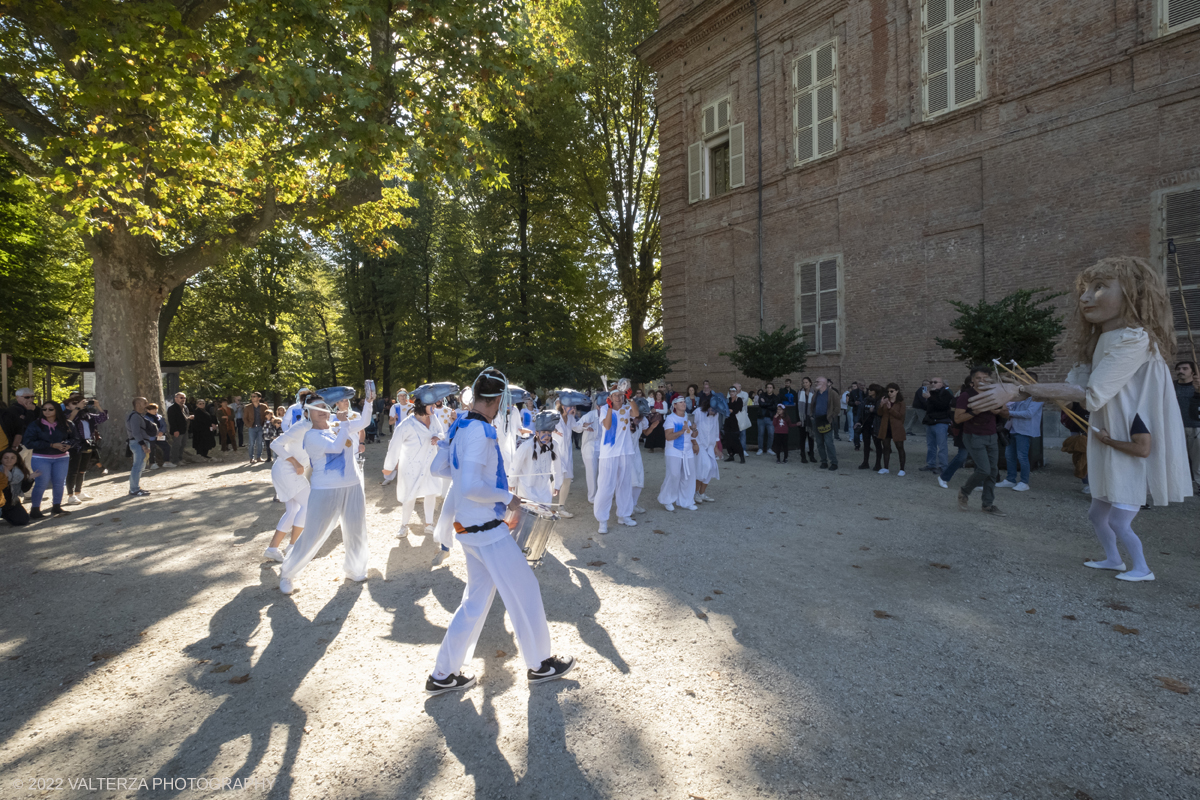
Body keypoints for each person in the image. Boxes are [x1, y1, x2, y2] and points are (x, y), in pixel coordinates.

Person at [971, 256, 1192, 581]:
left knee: (1118, 519)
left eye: (1100, 287)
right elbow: (1074, 384)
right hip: (1107, 433)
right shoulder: (1104, 339)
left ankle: (1142, 568)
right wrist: (1019, 389)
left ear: (1135, 292)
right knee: (1096, 513)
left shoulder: (1135, 338)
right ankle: (1114, 559)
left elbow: (1090, 392)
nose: (1086, 297)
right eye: (1085, 289)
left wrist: (1020, 388)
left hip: (1127, 434)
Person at [426, 367, 575, 695]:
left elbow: (439, 468)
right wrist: (508, 498)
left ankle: (442, 674)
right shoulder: (479, 431)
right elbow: (471, 485)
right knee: (526, 589)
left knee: (475, 603)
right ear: (495, 401)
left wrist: (445, 443)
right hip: (486, 528)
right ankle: (540, 664)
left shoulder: (462, 425)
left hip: (469, 528)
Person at [278, 386, 374, 594]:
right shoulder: (310, 436)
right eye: (316, 408)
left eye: (324, 406)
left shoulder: (338, 425)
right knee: (313, 533)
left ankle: (355, 569)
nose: (322, 410)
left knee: (356, 529)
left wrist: (369, 401)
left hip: (352, 484)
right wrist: (346, 424)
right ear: (307, 414)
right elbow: (336, 448)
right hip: (325, 489)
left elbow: (364, 422)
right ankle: (287, 573)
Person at [383, 383, 450, 536]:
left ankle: (429, 523)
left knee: (431, 492)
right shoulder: (406, 424)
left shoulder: (433, 419)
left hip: (430, 463)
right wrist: (389, 466)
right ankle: (404, 525)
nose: (434, 406)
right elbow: (394, 445)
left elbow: (441, 433)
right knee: (409, 495)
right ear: (422, 405)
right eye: (431, 404)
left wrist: (437, 437)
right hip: (410, 465)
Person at [955, 367, 1009, 515]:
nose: (982, 380)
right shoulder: (966, 396)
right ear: (973, 380)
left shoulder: (994, 394)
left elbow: (1006, 413)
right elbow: (958, 418)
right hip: (974, 435)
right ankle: (964, 491)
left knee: (993, 472)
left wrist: (998, 412)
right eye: (978, 378)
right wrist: (975, 412)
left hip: (992, 435)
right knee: (984, 470)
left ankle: (988, 505)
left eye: (985, 378)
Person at [264, 409, 311, 562]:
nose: (324, 412)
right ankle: (293, 547)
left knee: (293, 510)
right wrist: (295, 462)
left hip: (291, 472)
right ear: (306, 412)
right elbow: (275, 444)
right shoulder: (300, 427)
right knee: (308, 504)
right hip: (287, 471)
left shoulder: (320, 427)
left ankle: (272, 549)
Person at [593, 383, 640, 532]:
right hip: (609, 453)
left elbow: (637, 414)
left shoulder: (627, 408)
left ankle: (624, 515)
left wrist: (630, 398)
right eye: (615, 395)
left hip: (625, 452)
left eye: (621, 395)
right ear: (610, 398)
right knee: (606, 486)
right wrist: (611, 408)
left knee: (625, 485)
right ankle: (602, 520)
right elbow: (607, 426)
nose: (618, 397)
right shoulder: (605, 409)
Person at [24, 400, 77, 518]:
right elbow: (28, 442)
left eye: (50, 409)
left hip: (62, 458)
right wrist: (51, 445)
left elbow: (75, 438)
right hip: (41, 458)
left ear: (57, 410)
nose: (47, 411)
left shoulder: (67, 424)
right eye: (44, 409)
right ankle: (35, 509)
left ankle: (56, 507)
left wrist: (69, 444)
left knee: (59, 483)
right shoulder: (35, 425)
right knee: (41, 483)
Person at [997, 374, 1044, 492]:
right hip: (1013, 428)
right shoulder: (1020, 395)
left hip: (1024, 429)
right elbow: (1011, 406)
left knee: (1022, 456)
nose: (1020, 382)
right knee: (1009, 455)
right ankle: (1010, 479)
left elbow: (1029, 413)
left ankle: (1024, 481)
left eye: (1024, 380)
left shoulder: (1038, 396)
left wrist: (1010, 413)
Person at [512, 410, 562, 506]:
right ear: (537, 433)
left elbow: (557, 466)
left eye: (549, 432)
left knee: (544, 514)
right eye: (543, 432)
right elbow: (516, 466)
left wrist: (557, 484)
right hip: (527, 488)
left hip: (544, 488)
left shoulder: (554, 444)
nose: (547, 436)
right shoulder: (526, 447)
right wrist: (512, 484)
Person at [64, 394, 107, 504]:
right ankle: (70, 495)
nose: (78, 404)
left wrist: (97, 406)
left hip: (88, 444)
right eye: (74, 403)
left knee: (82, 470)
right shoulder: (67, 415)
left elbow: (103, 418)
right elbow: (68, 421)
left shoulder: (87, 415)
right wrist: (77, 408)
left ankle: (78, 492)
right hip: (74, 446)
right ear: (67, 406)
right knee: (73, 471)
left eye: (80, 402)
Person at [657, 396, 697, 511]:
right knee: (674, 475)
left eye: (684, 402)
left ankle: (686, 501)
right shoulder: (670, 418)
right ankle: (667, 499)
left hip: (687, 450)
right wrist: (682, 431)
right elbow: (668, 437)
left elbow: (693, 436)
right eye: (681, 402)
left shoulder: (688, 417)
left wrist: (694, 429)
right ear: (675, 405)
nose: (683, 404)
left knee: (689, 476)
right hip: (674, 450)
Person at [918, 377, 954, 473]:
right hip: (930, 421)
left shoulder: (946, 393)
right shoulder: (931, 393)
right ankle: (931, 464)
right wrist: (926, 398)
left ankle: (943, 466)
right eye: (931, 382)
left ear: (941, 384)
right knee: (931, 445)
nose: (933, 384)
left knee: (942, 446)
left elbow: (942, 406)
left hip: (941, 422)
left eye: (935, 382)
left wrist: (930, 397)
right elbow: (928, 408)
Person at [1174, 360, 1200, 491]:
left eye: (1185, 369)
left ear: (1193, 372)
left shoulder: (1198, 387)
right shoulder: (1172, 386)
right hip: (1175, 427)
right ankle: (1179, 486)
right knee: (1176, 458)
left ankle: (1199, 485)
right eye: (1178, 369)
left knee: (1197, 459)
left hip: (1195, 426)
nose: (1180, 371)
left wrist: (1198, 391)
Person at [125, 396, 156, 497]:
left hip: (139, 443)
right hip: (138, 443)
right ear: (138, 404)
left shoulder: (138, 416)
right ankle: (134, 489)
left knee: (140, 466)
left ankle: (136, 487)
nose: (147, 405)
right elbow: (136, 432)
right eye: (145, 403)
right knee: (137, 466)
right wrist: (143, 445)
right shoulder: (134, 416)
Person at [574, 395, 602, 504]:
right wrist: (584, 426)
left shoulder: (609, 416)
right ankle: (592, 496)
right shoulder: (590, 415)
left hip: (604, 447)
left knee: (604, 472)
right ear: (598, 406)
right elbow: (576, 428)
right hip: (589, 447)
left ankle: (602, 493)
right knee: (591, 472)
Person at [693, 395, 721, 502]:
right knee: (704, 467)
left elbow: (715, 431)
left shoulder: (716, 414)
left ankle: (702, 493)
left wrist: (716, 447)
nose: (714, 412)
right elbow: (691, 428)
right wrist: (694, 443)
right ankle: (695, 493)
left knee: (712, 468)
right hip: (699, 445)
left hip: (709, 445)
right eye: (713, 409)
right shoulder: (698, 412)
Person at [876, 383, 907, 476]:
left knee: (900, 447)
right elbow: (880, 413)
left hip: (897, 427)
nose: (890, 393)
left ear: (897, 391)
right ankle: (885, 467)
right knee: (886, 447)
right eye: (888, 391)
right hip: (886, 427)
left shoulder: (901, 403)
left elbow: (900, 416)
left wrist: (890, 408)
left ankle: (902, 468)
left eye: (892, 391)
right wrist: (881, 405)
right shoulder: (886, 400)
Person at [2, 448, 37, 526]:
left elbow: (23, 489)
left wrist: (29, 479)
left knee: (23, 520)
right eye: (6, 458)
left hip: (10, 502)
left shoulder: (20, 471)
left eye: (12, 458)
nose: (9, 460)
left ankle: (4, 514)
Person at [811, 376, 839, 470]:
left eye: (817, 382)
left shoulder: (832, 393)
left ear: (823, 383)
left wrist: (831, 417)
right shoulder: (816, 394)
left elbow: (837, 407)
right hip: (817, 420)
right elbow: (813, 405)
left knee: (828, 442)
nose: (815, 383)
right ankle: (823, 461)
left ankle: (834, 462)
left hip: (827, 420)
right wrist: (812, 415)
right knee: (819, 442)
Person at [856, 384, 883, 471]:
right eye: (869, 390)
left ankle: (878, 464)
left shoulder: (879, 401)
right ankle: (865, 462)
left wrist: (874, 411)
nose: (869, 391)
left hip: (875, 425)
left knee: (877, 445)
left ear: (876, 391)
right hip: (866, 425)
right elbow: (862, 412)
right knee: (866, 444)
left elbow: (882, 413)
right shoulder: (866, 400)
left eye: (872, 390)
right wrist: (859, 422)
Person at [3, 388, 38, 453]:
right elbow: (24, 426)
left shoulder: (37, 409)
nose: (30, 399)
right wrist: (30, 412)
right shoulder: (12, 410)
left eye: (32, 397)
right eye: (27, 397)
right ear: (17, 398)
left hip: (34, 444)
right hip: (20, 444)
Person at [167, 392, 192, 466]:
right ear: (176, 398)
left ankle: (180, 458)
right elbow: (172, 420)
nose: (183, 399)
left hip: (185, 429)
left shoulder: (185, 407)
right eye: (181, 398)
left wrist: (189, 417)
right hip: (177, 430)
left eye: (184, 398)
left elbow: (185, 417)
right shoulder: (172, 408)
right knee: (176, 445)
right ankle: (175, 460)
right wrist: (175, 430)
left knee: (183, 444)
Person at [722, 386, 746, 464]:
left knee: (736, 440)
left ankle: (742, 457)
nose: (732, 393)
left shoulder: (739, 400)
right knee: (728, 440)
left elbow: (736, 410)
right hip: (728, 422)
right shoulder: (727, 400)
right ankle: (731, 455)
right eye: (730, 392)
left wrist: (729, 410)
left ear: (736, 392)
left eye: (733, 391)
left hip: (735, 422)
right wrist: (728, 410)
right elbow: (724, 409)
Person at [795, 377, 816, 463]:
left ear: (810, 383)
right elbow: (796, 408)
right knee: (802, 438)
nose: (805, 384)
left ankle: (811, 455)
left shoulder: (814, 393)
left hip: (810, 418)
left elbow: (815, 407)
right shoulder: (799, 393)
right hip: (802, 419)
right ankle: (803, 455)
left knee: (811, 437)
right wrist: (798, 420)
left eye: (806, 382)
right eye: (803, 382)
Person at [143, 403, 169, 469]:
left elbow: (164, 425)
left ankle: (166, 462)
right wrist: (155, 433)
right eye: (153, 409)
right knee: (152, 450)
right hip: (150, 437)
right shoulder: (145, 418)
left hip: (160, 436)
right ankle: (152, 463)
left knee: (167, 447)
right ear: (148, 410)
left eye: (156, 409)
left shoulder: (159, 417)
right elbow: (147, 428)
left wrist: (162, 432)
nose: (155, 411)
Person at [244, 391, 268, 464]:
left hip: (261, 427)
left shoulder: (264, 406)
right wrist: (249, 425)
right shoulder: (247, 407)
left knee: (260, 443)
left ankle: (259, 457)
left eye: (254, 396)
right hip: (252, 427)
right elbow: (245, 418)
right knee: (251, 443)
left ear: (259, 398)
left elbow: (268, 415)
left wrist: (266, 424)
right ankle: (251, 458)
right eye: (252, 396)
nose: (252, 398)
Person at [755, 383, 778, 456]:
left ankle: (769, 448)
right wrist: (770, 404)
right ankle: (760, 448)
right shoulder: (762, 395)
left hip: (770, 418)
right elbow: (761, 404)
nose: (769, 389)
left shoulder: (775, 397)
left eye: (770, 387)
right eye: (768, 387)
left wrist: (766, 403)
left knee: (771, 434)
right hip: (761, 417)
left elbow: (775, 407)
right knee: (760, 434)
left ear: (773, 388)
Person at [846, 381, 864, 450]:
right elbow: (849, 402)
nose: (862, 386)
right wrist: (854, 403)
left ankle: (867, 444)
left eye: (863, 385)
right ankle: (857, 444)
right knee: (856, 428)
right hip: (857, 412)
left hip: (865, 413)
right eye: (861, 385)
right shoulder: (853, 392)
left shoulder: (866, 392)